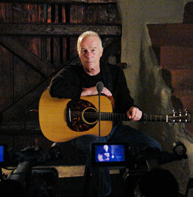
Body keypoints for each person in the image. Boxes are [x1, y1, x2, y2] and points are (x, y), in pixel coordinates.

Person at [49, 31, 161, 197]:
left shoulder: (114, 74)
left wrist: (132, 109)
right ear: (78, 53)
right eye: (84, 51)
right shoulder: (71, 73)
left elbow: (125, 103)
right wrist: (87, 91)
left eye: (93, 50)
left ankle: (139, 190)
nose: (89, 55)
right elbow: (54, 88)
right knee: (99, 148)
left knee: (153, 147)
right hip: (84, 133)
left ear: (101, 52)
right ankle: (105, 194)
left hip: (113, 129)